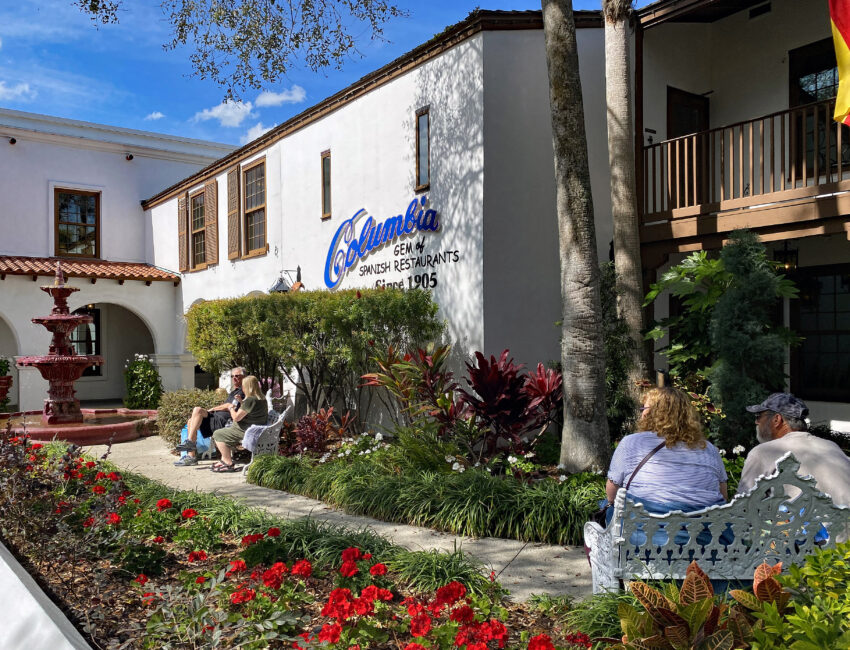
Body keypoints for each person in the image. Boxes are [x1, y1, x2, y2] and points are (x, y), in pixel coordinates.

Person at [605, 387, 728, 547]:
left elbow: (612, 494)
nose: (642, 413)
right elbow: (723, 495)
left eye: (645, 408)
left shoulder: (632, 443)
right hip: (705, 543)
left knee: (607, 509)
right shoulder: (709, 449)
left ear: (655, 413)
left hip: (645, 542)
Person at [740, 393, 850, 509]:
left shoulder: (764, 452)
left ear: (777, 419)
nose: (756, 422)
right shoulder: (831, 446)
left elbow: (743, 506)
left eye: (758, 416)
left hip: (806, 526)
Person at [174, 367, 246, 466]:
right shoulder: (235, 391)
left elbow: (229, 406)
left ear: (244, 377)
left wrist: (212, 409)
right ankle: (191, 457)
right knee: (191, 421)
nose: (234, 378)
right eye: (232, 376)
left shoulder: (243, 391)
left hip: (223, 422)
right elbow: (227, 405)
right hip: (216, 418)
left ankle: (189, 443)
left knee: (197, 410)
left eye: (237, 376)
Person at [210, 375, 269, 473]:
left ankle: (228, 463)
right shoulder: (261, 398)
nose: (242, 388)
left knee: (218, 433)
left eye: (243, 386)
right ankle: (224, 460)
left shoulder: (250, 400)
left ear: (248, 386)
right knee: (223, 433)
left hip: (245, 430)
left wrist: (230, 408)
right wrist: (241, 402)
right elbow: (251, 411)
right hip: (255, 428)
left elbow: (236, 418)